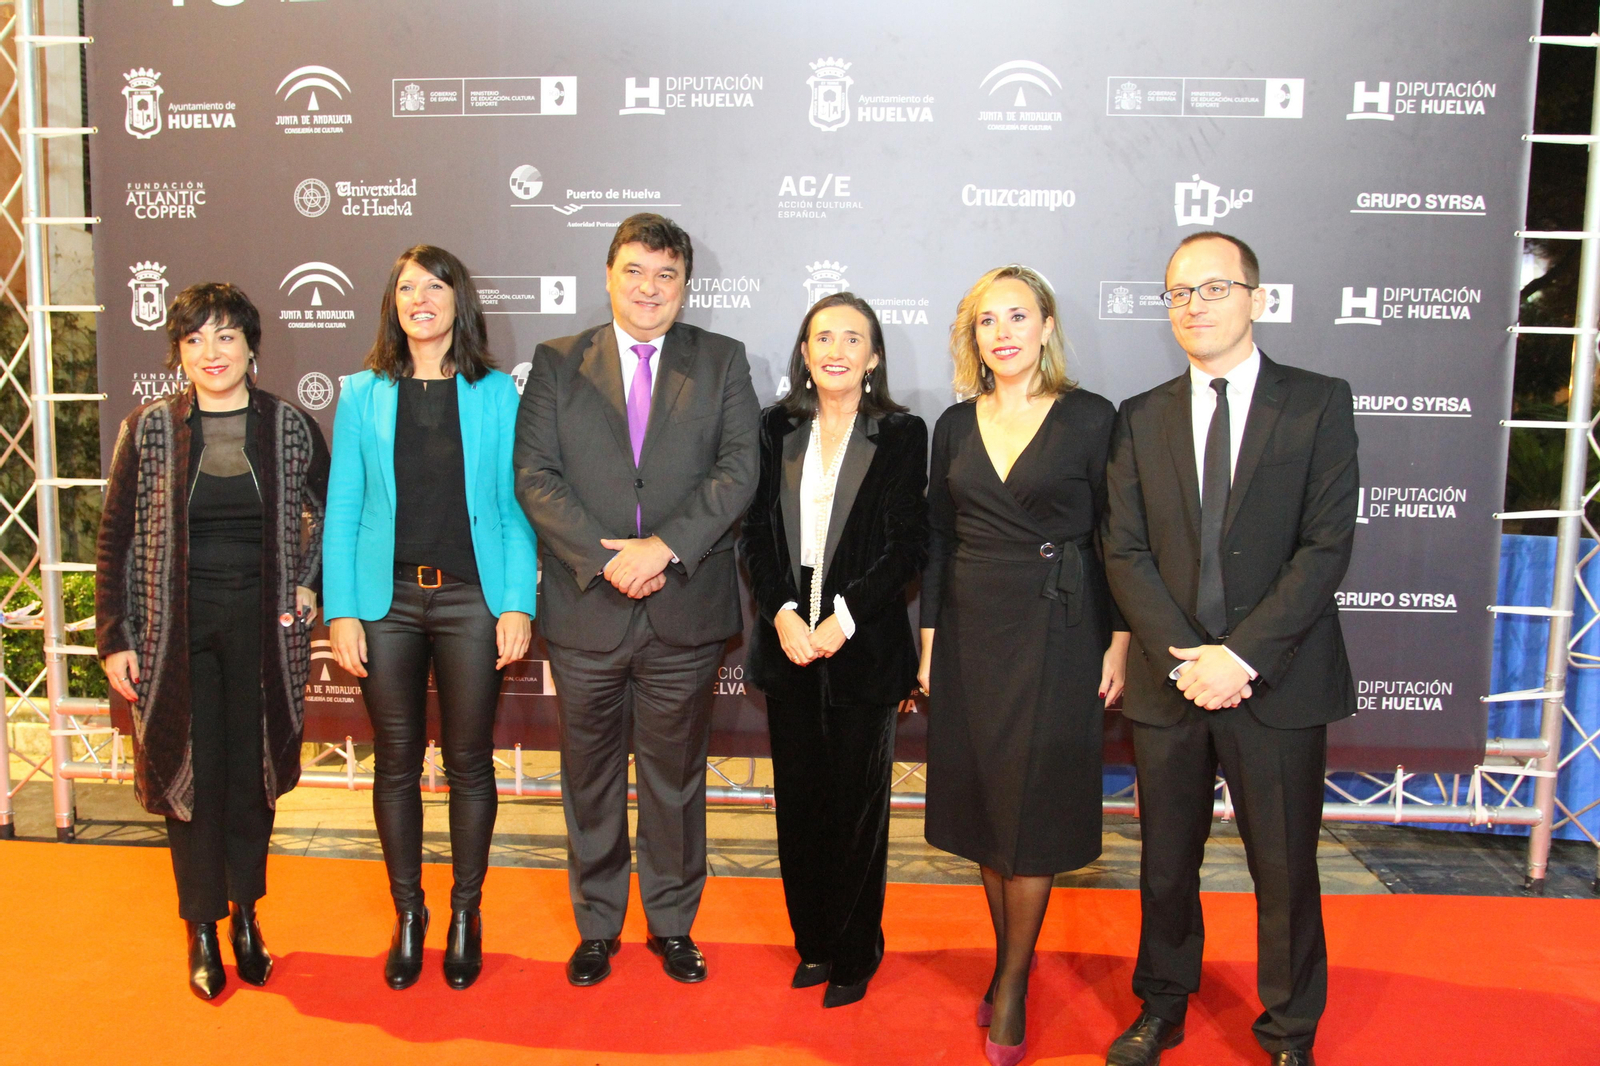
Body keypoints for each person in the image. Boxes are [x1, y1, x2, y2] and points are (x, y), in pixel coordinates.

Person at [1100, 231, 1358, 1066]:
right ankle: (1162, 1005)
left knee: (1283, 869)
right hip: (1171, 681)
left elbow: (1325, 546)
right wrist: (1187, 658)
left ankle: (1289, 1030)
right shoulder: (1140, 416)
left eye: (1214, 288)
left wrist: (1238, 658)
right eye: (1179, 293)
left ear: (1257, 297)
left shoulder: (1318, 403)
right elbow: (1123, 550)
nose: (1194, 306)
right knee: (1165, 865)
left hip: (1276, 680)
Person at [514, 212, 759, 987]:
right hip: (588, 608)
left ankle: (673, 924)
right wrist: (605, 559)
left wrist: (664, 548)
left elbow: (739, 471)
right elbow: (535, 476)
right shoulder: (557, 362)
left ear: (685, 286)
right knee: (588, 776)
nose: (649, 288)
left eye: (666, 275)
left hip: (684, 606)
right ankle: (597, 925)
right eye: (635, 271)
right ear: (609, 275)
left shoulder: (722, 361)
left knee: (675, 778)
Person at [919, 265, 1129, 1065]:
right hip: (970, 629)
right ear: (972, 337)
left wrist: (1119, 640)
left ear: (1046, 326)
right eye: (986, 320)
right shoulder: (952, 425)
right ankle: (1013, 961)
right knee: (985, 803)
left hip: (1059, 626)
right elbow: (938, 540)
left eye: (1017, 315)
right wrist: (930, 643)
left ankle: (1010, 983)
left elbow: (1117, 537)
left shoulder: (1091, 418)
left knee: (1032, 808)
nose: (1002, 332)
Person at [96, 282, 329, 1000]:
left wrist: (309, 582)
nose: (211, 352)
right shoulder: (149, 429)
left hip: (264, 631)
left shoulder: (290, 426)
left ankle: (246, 916)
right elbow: (114, 536)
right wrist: (114, 635)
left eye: (226, 336)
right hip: (171, 633)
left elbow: (331, 516)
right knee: (189, 777)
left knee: (250, 774)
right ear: (178, 353)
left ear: (251, 346)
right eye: (194, 339)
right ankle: (201, 925)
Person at [323, 245, 536, 992]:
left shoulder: (496, 395)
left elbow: (514, 509)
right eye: (407, 287)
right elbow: (343, 509)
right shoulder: (361, 394)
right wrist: (341, 610)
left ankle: (465, 915)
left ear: (458, 300)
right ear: (393, 304)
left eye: (435, 286)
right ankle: (409, 914)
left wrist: (517, 602)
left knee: (469, 762)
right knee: (396, 762)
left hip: (473, 601)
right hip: (385, 605)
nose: (420, 299)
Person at [739, 293, 929, 1008]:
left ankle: (855, 951)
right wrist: (783, 612)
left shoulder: (902, 433)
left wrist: (842, 618)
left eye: (853, 338)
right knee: (800, 804)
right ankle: (814, 944)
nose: (837, 350)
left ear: (873, 357)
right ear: (805, 352)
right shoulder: (775, 428)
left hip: (864, 641)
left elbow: (908, 544)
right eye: (823, 337)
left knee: (857, 808)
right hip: (789, 639)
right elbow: (755, 534)